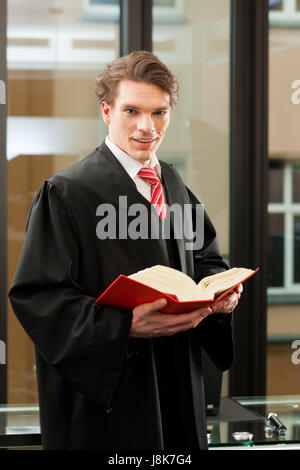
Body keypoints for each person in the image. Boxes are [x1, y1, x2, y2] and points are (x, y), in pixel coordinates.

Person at [9, 51, 242, 450]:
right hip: (109, 401)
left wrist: (219, 292)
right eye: (132, 110)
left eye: (159, 113)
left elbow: (204, 257)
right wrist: (123, 327)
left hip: (177, 384)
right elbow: (40, 297)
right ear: (106, 111)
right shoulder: (66, 193)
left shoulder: (172, 182)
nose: (146, 127)